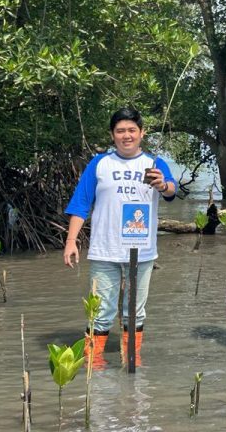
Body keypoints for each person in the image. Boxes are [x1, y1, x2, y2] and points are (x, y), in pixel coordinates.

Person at [63, 108, 177, 366]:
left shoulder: (155, 163)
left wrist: (162, 184)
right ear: (113, 135)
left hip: (142, 251)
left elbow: (171, 190)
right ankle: (94, 366)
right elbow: (81, 204)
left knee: (134, 312)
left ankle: (132, 362)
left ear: (142, 133)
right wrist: (71, 241)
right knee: (100, 312)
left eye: (132, 130)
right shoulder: (99, 163)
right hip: (104, 250)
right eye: (120, 131)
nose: (126, 136)